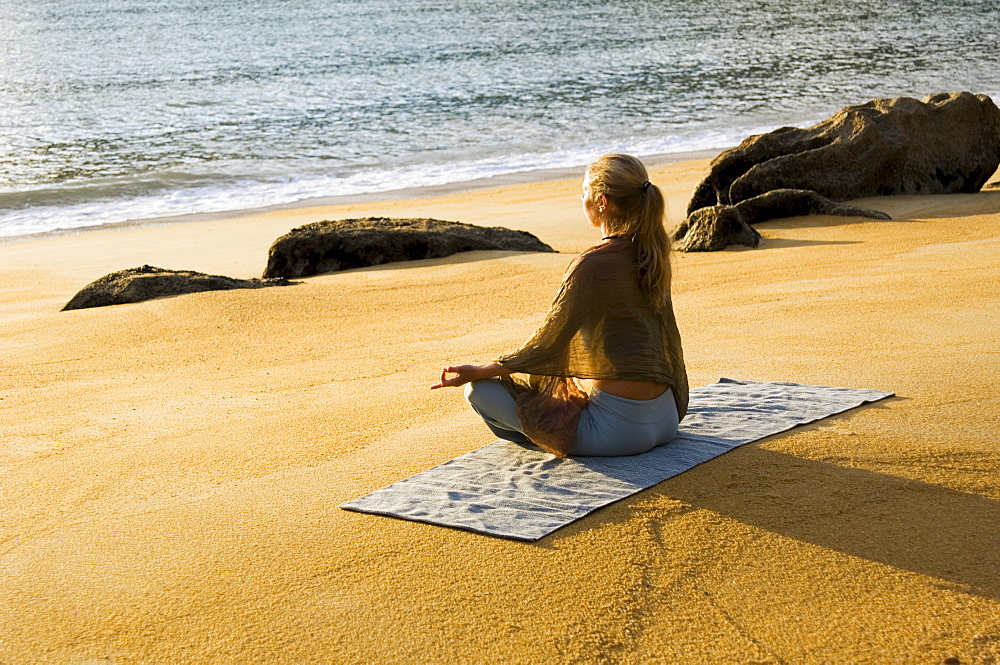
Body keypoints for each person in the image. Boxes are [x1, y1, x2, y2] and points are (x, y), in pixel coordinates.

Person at [430, 154, 688, 457]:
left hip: (620, 433)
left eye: (583, 192)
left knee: (479, 391)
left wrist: (479, 370)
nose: (581, 199)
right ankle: (564, 435)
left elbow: (549, 342)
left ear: (602, 202)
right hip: (667, 418)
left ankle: (554, 442)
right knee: (555, 398)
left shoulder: (593, 263)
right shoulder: (652, 252)